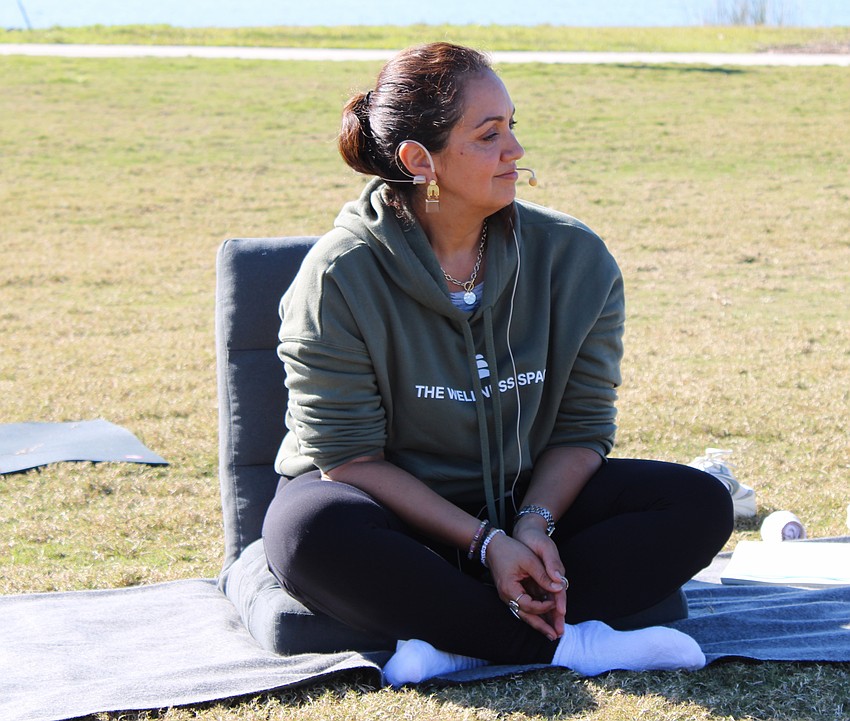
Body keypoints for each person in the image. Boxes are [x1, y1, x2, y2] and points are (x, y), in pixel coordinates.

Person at [262, 42, 733, 686]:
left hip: (527, 502)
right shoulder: (339, 276)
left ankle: (456, 640)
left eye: (512, 126)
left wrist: (533, 526)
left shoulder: (575, 259)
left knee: (698, 503)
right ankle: (567, 644)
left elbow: (581, 429)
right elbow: (350, 458)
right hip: (393, 515)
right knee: (308, 531)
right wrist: (485, 544)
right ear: (419, 160)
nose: (515, 149)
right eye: (489, 135)